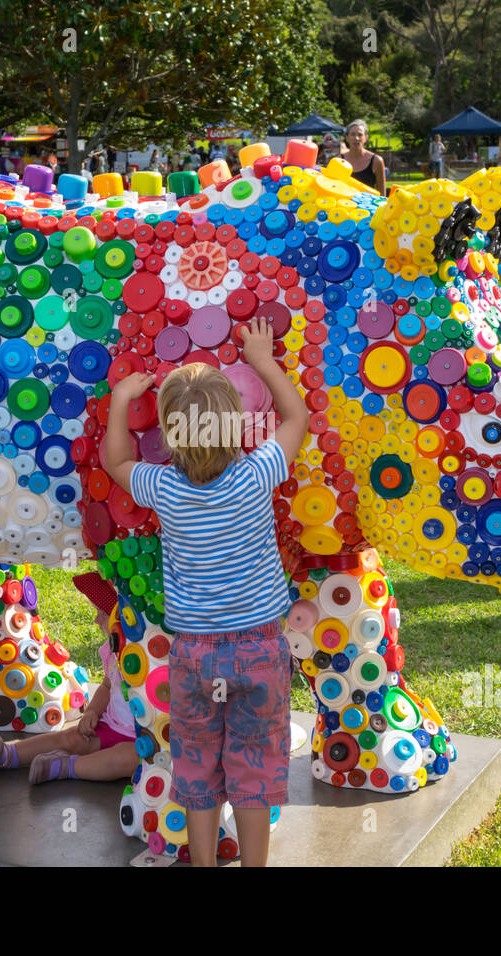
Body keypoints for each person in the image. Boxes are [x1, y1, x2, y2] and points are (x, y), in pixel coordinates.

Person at [104, 316, 308, 867]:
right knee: (254, 766)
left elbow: (115, 461)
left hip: (195, 655)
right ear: (237, 425)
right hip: (261, 651)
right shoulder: (258, 473)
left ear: (171, 434)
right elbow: (297, 418)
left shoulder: (164, 487)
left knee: (196, 765)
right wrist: (263, 360)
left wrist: (121, 400)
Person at [0, 572, 139, 782]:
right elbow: (107, 687)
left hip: (139, 740)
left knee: (126, 758)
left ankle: (64, 767)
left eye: (102, 612)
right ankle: (8, 755)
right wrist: (92, 711)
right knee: (71, 737)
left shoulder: (146, 656)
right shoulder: (110, 650)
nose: (96, 619)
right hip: (109, 726)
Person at [343, 119, 386, 193]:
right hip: (344, 204)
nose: (356, 138)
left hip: (369, 204)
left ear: (366, 138)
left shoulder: (376, 161)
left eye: (360, 135)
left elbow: (382, 193)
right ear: (347, 138)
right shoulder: (339, 160)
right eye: (352, 134)